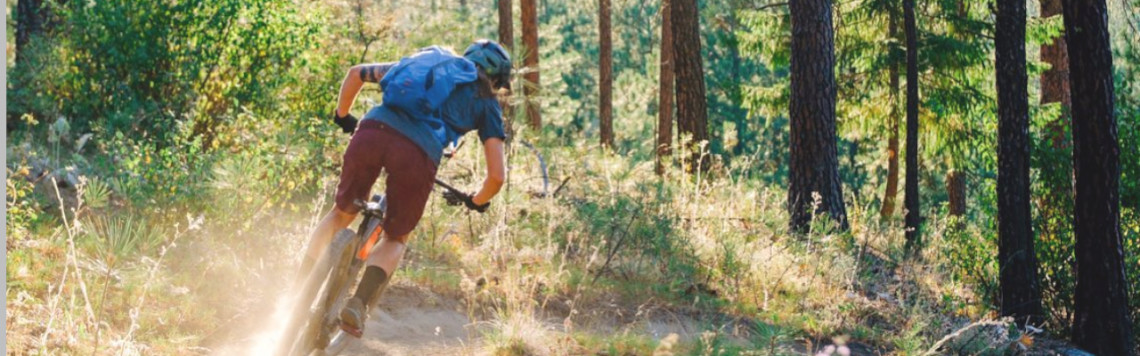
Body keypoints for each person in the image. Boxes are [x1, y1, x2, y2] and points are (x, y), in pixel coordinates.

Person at [301, 40, 511, 335]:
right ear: (497, 80)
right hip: (417, 154)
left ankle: (299, 283)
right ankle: (358, 304)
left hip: (372, 130)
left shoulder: (430, 65)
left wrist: (343, 115)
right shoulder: (486, 102)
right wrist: (476, 199)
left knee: (339, 214)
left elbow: (356, 73)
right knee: (396, 238)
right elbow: (497, 177)